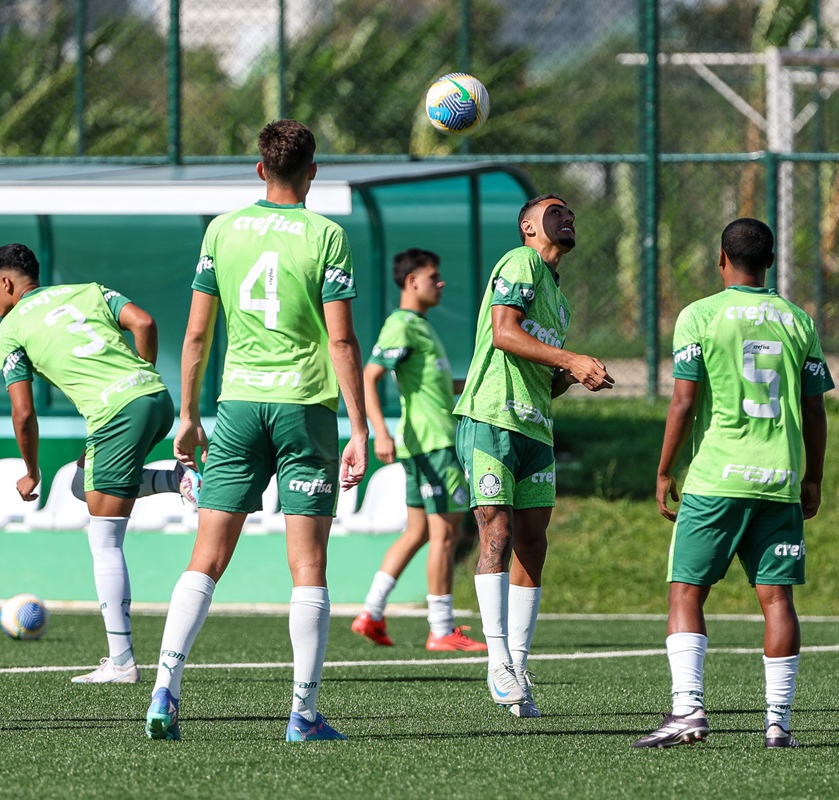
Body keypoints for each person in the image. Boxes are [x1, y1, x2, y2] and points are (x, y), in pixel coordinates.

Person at [145, 119, 369, 743]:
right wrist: (359, 426)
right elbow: (342, 338)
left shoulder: (222, 229)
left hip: (238, 404)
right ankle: (303, 713)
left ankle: (165, 686)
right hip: (305, 408)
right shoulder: (327, 235)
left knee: (206, 558)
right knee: (308, 567)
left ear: (259, 170)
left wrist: (189, 415)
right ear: (313, 172)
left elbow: (195, 334)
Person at [632, 218, 833, 749]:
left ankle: (688, 712)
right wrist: (812, 477)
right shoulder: (797, 320)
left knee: (686, 590)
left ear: (721, 258)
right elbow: (815, 409)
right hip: (779, 477)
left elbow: (683, 400)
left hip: (717, 477)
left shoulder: (700, 316)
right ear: (770, 261)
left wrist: (663, 469)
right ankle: (778, 725)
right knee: (776, 600)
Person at [0, 243, 197, 685]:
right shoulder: (87, 290)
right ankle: (177, 479)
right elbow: (145, 322)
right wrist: (141, 376)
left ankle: (121, 663)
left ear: (6, 283)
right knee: (84, 485)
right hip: (156, 398)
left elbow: (23, 413)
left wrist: (32, 470)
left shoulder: (8, 332)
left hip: (116, 413)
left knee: (104, 540)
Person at [454, 194, 614, 718]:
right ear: (527, 225)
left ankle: (518, 665)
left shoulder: (559, 300)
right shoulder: (519, 261)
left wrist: (571, 376)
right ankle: (496, 660)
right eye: (554, 210)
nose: (567, 216)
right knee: (496, 534)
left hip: (534, 426)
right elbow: (504, 333)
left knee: (533, 543)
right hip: (492, 418)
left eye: (571, 212)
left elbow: (544, 382)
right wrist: (571, 357)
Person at [351, 248, 485, 652]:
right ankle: (441, 628)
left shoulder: (422, 327)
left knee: (419, 531)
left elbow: (436, 388)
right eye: (433, 276)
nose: (440, 283)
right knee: (447, 532)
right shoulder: (402, 325)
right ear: (412, 282)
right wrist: (380, 432)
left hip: (426, 443)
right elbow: (369, 376)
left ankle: (371, 612)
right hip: (432, 444)